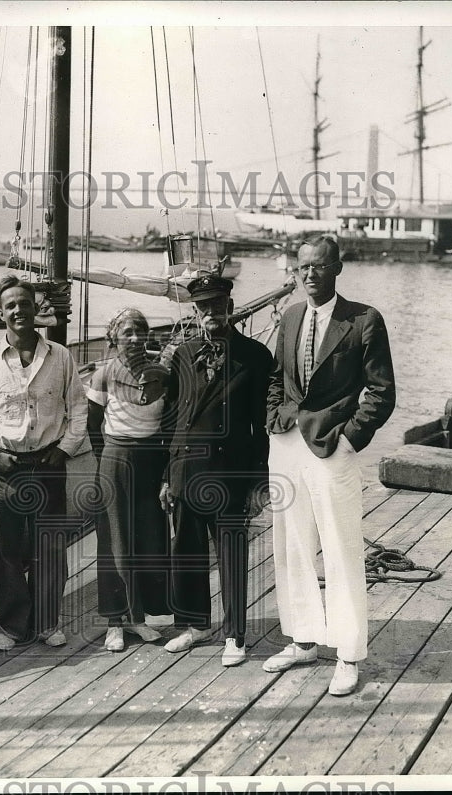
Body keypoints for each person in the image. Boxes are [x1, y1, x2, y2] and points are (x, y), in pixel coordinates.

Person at [264, 235, 395, 695]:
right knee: (292, 546)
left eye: (319, 267)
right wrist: (273, 419)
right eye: (303, 267)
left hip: (331, 447)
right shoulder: (292, 316)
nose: (309, 274)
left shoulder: (363, 320)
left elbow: (381, 393)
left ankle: (348, 653)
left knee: (342, 550)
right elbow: (277, 379)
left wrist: (349, 439)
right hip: (286, 444)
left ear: (337, 268)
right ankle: (303, 640)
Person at [0, 275, 90, 650]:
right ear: (1, 313)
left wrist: (64, 450)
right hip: (5, 468)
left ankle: (47, 623)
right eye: (11, 305)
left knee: (49, 545)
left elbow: (78, 410)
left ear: (36, 309)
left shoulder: (60, 357)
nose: (19, 311)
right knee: (9, 549)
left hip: (49, 463)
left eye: (25, 304)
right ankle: (13, 626)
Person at [159, 274, 272, 667]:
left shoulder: (255, 356)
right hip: (186, 471)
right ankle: (193, 624)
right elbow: (171, 418)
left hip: (231, 475)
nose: (211, 312)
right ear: (194, 311)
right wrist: (165, 477)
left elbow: (263, 426)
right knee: (186, 552)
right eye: (203, 306)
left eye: (217, 304)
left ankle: (235, 635)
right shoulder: (183, 355)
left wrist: (260, 483)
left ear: (230, 305)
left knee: (232, 554)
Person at [87, 308, 170, 652]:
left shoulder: (163, 375)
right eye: (126, 332)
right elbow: (93, 426)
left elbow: (170, 426)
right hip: (115, 460)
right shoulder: (102, 375)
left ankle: (139, 618)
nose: (134, 339)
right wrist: (108, 463)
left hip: (152, 460)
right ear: (113, 338)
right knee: (115, 542)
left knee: (150, 539)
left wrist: (166, 473)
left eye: (140, 331)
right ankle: (114, 623)